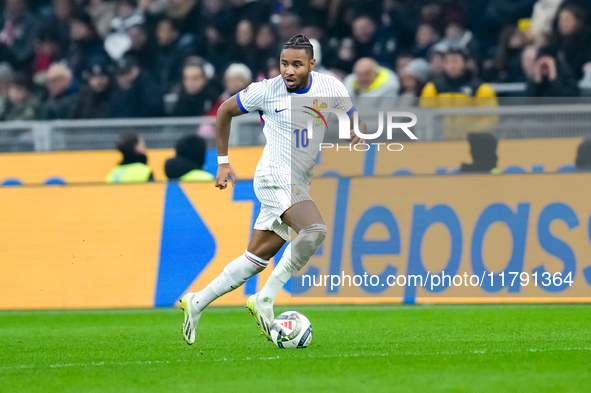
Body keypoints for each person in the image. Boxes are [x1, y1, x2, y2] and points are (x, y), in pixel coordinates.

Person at [180, 34, 366, 345]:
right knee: (315, 230)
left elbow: (349, 111)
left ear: (311, 65)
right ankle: (265, 298)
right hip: (274, 177)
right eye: (283, 64)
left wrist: (355, 130)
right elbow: (224, 110)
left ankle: (196, 301)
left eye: (296, 64)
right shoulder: (266, 91)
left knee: (255, 259)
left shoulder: (329, 86)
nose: (288, 71)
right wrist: (223, 162)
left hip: (298, 180)